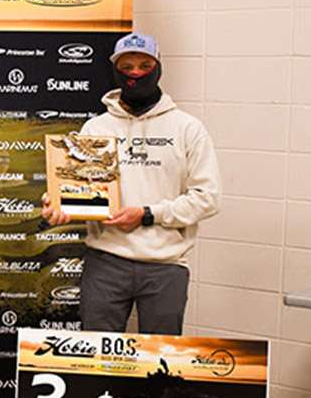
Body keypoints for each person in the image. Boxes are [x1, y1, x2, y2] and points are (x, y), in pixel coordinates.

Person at [42, 33, 220, 335]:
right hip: (105, 262)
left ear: (158, 67)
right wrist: (60, 203)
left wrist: (148, 214)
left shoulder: (187, 128)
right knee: (97, 356)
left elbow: (207, 198)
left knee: (160, 358)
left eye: (144, 66)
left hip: (166, 265)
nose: (135, 73)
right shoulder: (96, 128)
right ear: (115, 71)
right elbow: (80, 188)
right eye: (126, 67)